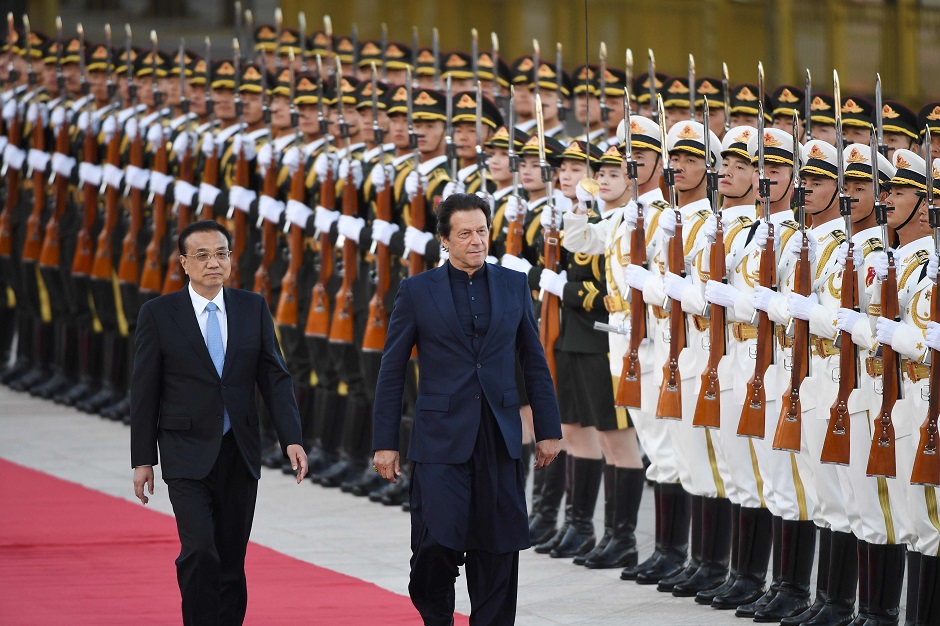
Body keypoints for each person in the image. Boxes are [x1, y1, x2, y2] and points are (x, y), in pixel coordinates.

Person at [372, 193, 562, 625]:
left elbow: (533, 360)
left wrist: (548, 427)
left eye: (482, 231)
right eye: (465, 234)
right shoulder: (417, 291)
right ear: (444, 240)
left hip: (498, 437)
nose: (476, 241)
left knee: (497, 549)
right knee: (434, 545)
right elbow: (392, 370)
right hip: (439, 440)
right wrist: (385, 443)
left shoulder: (514, 285)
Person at [130, 219, 307, 626]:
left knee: (231, 560)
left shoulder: (252, 306)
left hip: (238, 452)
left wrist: (291, 437)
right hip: (184, 451)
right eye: (203, 255)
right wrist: (143, 459)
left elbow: (274, 375)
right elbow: (144, 391)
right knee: (198, 552)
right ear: (183, 263)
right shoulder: (158, 314)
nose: (214, 263)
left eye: (221, 254)